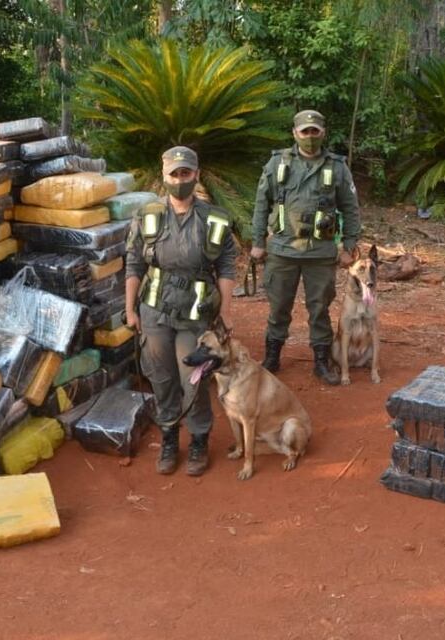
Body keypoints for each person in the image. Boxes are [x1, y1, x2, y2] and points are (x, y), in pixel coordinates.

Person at [125, 146, 238, 476]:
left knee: (194, 380)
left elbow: (226, 266)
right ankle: (170, 436)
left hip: (195, 314)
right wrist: (130, 309)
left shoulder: (214, 219)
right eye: (174, 174)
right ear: (164, 177)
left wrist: (226, 311)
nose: (179, 180)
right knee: (161, 377)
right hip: (154, 310)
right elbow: (133, 262)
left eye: (185, 173)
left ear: (196, 174)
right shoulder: (148, 216)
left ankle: (199, 438)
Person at [250, 109, 361, 385]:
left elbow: (351, 208)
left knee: (320, 308)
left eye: (315, 131)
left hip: (320, 252)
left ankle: (321, 362)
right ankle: (272, 356)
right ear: (294, 133)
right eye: (305, 131)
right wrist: (257, 242)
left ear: (323, 133)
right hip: (282, 249)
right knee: (278, 307)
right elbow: (261, 203)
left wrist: (348, 245)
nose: (310, 136)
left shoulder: (337, 167)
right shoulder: (277, 163)